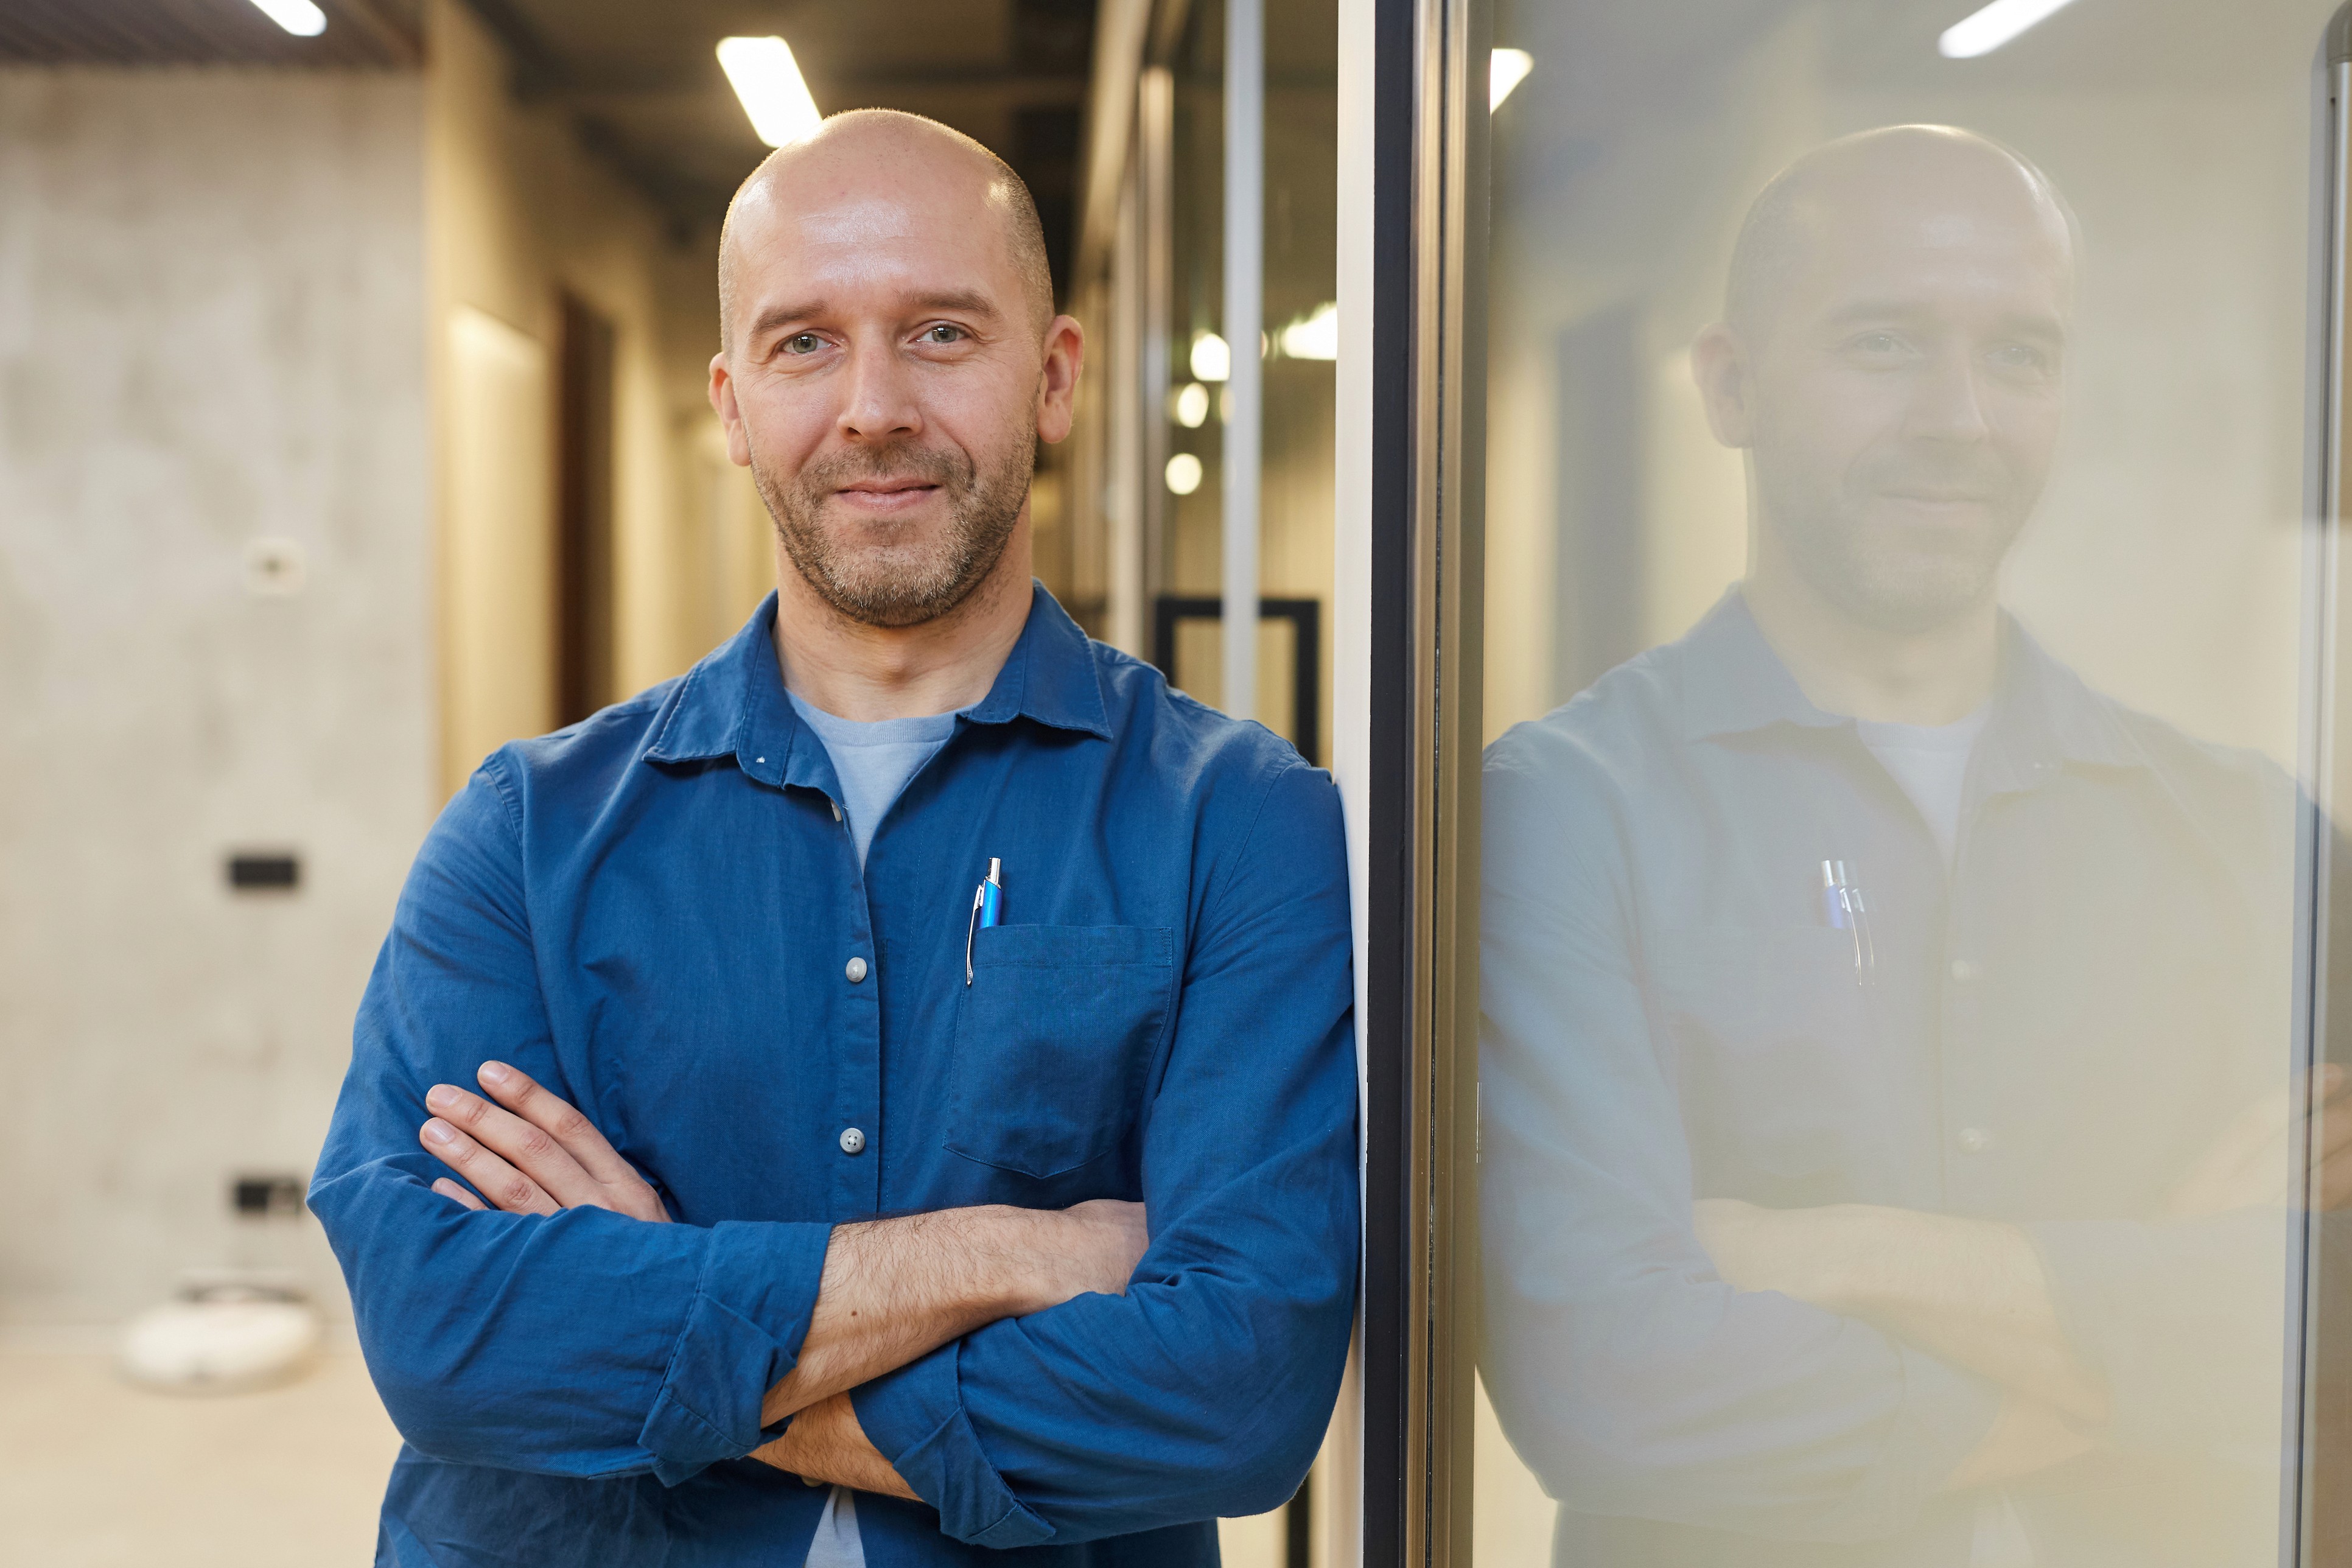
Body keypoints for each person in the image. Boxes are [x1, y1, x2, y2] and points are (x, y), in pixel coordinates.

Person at [310, 110, 1358, 1568]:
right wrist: (1019, 1254)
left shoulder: (1237, 821)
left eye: (940, 332)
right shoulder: (525, 833)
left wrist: (658, 1310)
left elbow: (1235, 1390)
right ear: (734, 405)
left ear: (1055, 377)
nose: (873, 407)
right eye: (805, 343)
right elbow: (448, 1333)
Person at [1478, 125, 2345, 1568]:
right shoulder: (1565, 814)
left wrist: (1827, 1252)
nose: (1963, 417)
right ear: (1732, 386)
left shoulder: (2250, 837)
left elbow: (2336, 1329)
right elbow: (1607, 1380)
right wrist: (2166, 1341)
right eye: (1884, 343)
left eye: (2020, 354)